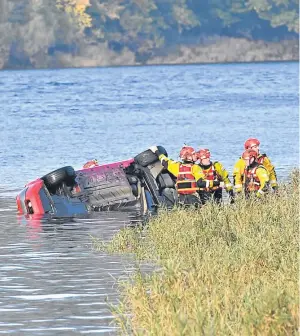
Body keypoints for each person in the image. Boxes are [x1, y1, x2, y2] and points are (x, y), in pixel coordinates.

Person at [149, 145, 226, 207]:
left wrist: (156, 151)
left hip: (181, 199)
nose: (195, 156)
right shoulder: (195, 167)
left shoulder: (177, 167)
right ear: (189, 157)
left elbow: (164, 160)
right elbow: (201, 183)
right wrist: (218, 183)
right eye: (193, 154)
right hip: (194, 199)